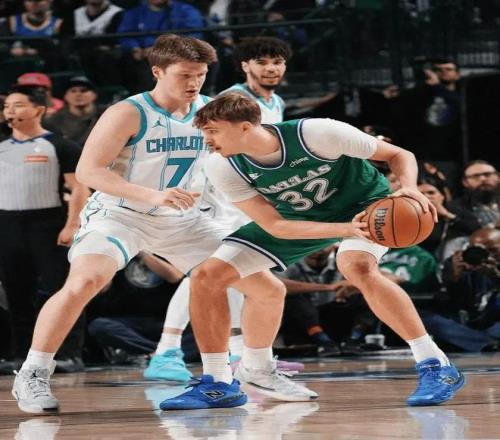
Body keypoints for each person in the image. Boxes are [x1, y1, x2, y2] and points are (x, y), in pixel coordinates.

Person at [12, 34, 315, 415]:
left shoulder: (209, 112)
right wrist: (152, 195)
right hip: (121, 214)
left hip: (183, 219)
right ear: (157, 71)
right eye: (184, 75)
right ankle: (34, 372)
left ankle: (254, 369)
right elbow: (90, 171)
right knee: (86, 280)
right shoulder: (128, 112)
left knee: (268, 289)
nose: (194, 83)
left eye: (200, 75)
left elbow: (245, 160)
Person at [160, 92, 465, 410]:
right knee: (208, 274)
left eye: (213, 131)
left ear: (246, 127)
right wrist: (343, 229)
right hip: (298, 219)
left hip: (366, 208)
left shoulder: (317, 133)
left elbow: (399, 155)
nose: (207, 140)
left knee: (357, 266)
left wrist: (409, 189)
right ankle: (220, 381)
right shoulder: (222, 166)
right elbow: (275, 226)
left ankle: (435, 364)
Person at [145, 36, 297, 382]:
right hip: (217, 192)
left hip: (244, 191)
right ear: (245, 66)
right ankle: (167, 350)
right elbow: (210, 144)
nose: (270, 68)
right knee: (210, 270)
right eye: (262, 62)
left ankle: (241, 353)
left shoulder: (276, 101)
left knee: (236, 270)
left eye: (277, 62)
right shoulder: (230, 99)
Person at [0, 87, 88, 373]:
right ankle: (21, 355)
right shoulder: (2, 146)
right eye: (7, 106)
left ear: (38, 109)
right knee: (16, 293)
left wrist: (72, 224)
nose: (10, 110)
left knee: (61, 290)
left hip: (48, 224)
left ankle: (70, 354)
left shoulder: (60, 145)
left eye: (18, 105)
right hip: (8, 225)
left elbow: (80, 188)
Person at [44, 76, 104, 149]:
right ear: (65, 96)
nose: (78, 94)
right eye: (73, 91)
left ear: (94, 95)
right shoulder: (53, 121)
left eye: (83, 90)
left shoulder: (105, 116)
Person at [449, 161, 499, 229]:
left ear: (498, 177)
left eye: (487, 174)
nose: (482, 179)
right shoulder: (454, 209)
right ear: (465, 182)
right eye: (475, 176)